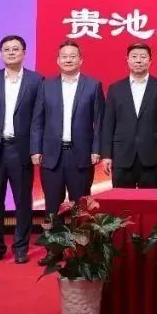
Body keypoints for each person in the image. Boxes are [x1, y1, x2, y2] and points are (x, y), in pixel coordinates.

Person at [0, 35, 43, 265]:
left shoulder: (36, 80)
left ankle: (21, 247)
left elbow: (38, 119)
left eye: (16, 49)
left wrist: (36, 148)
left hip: (21, 149)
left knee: (23, 201)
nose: (11, 53)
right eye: (7, 49)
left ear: (24, 53)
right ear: (0, 53)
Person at [30, 40, 104, 249]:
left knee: (80, 206)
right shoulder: (46, 86)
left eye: (73, 56)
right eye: (64, 56)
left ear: (81, 60)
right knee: (52, 206)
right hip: (51, 154)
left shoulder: (93, 85)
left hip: (81, 154)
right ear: (58, 60)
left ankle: (81, 251)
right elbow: (37, 121)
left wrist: (96, 149)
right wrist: (35, 148)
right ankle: (54, 250)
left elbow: (100, 121)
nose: (68, 59)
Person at [101, 43, 157, 188]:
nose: (138, 60)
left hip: (152, 156)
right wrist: (107, 155)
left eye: (143, 57)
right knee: (121, 200)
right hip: (121, 156)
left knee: (150, 200)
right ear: (127, 60)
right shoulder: (115, 88)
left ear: (150, 61)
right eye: (134, 57)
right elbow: (108, 124)